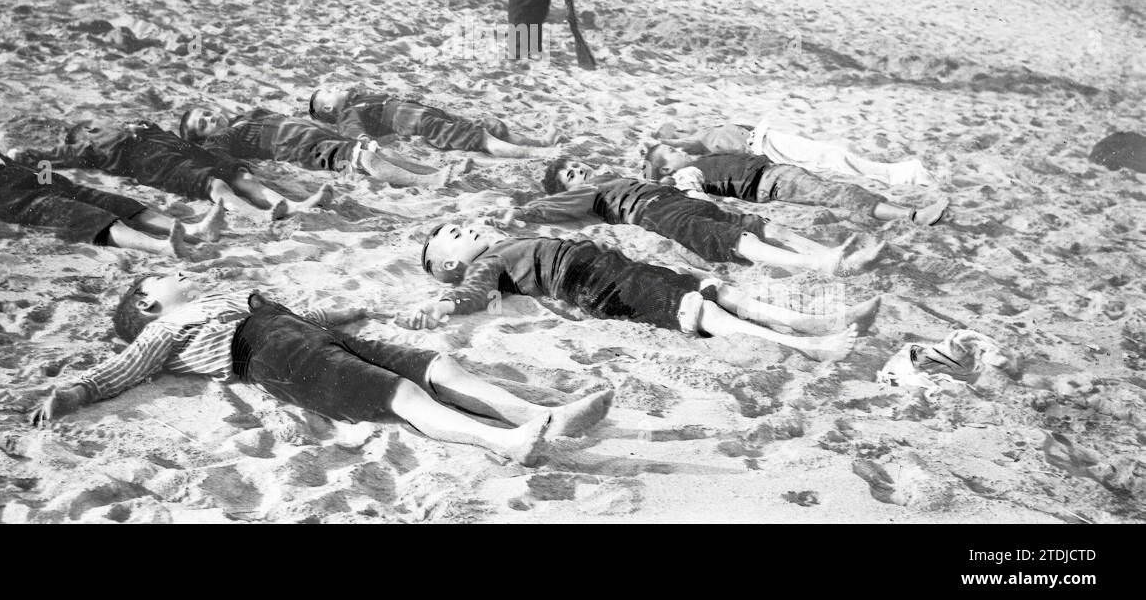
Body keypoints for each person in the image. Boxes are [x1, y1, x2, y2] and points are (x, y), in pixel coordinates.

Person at [29, 271, 614, 464]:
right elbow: (126, 369)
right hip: (280, 363)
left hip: (315, 335)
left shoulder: (232, 296)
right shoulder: (164, 329)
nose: (182, 274)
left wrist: (350, 309)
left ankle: (545, 416)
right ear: (149, 303)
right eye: (167, 277)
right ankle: (504, 442)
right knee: (403, 395)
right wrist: (76, 393)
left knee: (440, 364)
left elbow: (299, 312)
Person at [406, 225, 874, 362]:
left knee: (713, 289)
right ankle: (808, 345)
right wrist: (441, 304)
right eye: (457, 233)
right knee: (699, 309)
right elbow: (471, 294)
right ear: (451, 263)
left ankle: (808, 323)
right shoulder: (487, 263)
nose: (468, 226)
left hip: (613, 269)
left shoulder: (503, 243)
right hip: (596, 285)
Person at [508, 157, 883, 275]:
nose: (579, 171)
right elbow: (549, 209)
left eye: (577, 165)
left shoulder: (609, 177)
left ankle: (831, 257)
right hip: (656, 212)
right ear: (567, 187)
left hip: (675, 198)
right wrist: (522, 211)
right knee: (737, 240)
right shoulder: (584, 193)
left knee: (763, 226)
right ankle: (822, 264)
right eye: (570, 174)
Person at [0, 145, 224, 257]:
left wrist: (20, 158)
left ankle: (194, 231)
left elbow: (10, 158)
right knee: (89, 217)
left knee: (111, 201)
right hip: (15, 200)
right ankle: (163, 247)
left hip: (40, 179)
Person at [14, 117, 332, 223]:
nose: (100, 125)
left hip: (181, 148)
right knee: (214, 186)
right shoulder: (91, 148)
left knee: (240, 176)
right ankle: (261, 215)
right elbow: (59, 156)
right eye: (92, 127)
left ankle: (294, 205)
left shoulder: (136, 124)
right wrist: (26, 155)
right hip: (153, 162)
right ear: (85, 134)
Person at [640, 145, 949, 226]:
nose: (676, 149)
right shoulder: (686, 173)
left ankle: (891, 212)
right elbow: (693, 193)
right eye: (669, 152)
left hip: (776, 174)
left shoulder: (700, 159)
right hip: (771, 181)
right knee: (840, 193)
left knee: (839, 194)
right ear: (667, 168)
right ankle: (913, 215)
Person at [178, 104, 454, 188]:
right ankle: (426, 182)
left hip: (316, 135)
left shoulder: (249, 116)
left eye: (206, 113)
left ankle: (428, 171)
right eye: (204, 124)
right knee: (364, 159)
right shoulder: (224, 137)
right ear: (204, 136)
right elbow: (215, 155)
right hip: (301, 149)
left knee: (381, 152)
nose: (211, 118)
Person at [649, 120, 933, 187]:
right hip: (765, 146)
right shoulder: (698, 148)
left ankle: (901, 174)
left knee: (830, 157)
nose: (677, 143)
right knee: (830, 158)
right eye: (671, 146)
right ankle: (903, 175)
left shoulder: (701, 139)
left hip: (766, 141)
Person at [309, 84, 558, 159]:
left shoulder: (359, 99)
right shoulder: (347, 113)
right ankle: (534, 153)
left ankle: (539, 142)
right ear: (330, 107)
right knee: (480, 137)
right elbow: (353, 132)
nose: (335, 85)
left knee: (489, 126)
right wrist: (363, 141)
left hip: (424, 113)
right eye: (329, 90)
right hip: (417, 122)